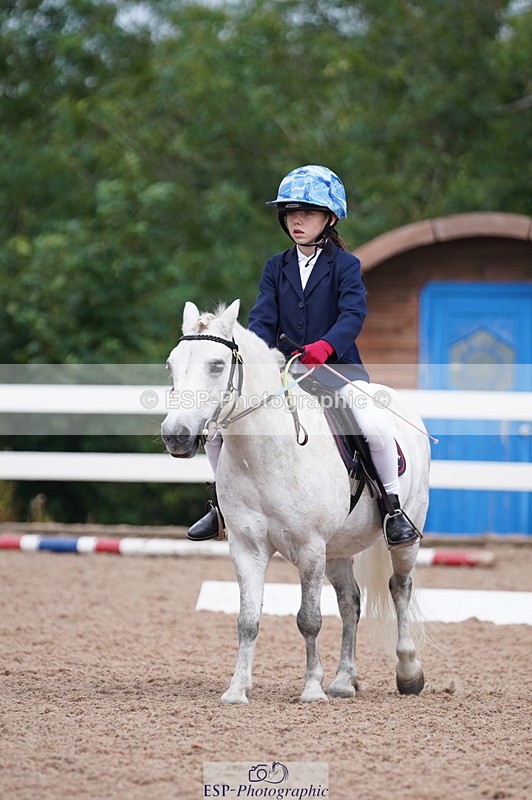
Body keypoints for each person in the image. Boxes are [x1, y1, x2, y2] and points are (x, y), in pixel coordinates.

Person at [187, 165, 419, 548]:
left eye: (307, 213)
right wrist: (262, 359)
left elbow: (352, 315)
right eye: (291, 213)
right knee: (215, 429)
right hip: (282, 373)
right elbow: (261, 319)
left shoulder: (346, 266)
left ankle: (392, 508)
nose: (297, 220)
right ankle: (221, 507)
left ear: (329, 218)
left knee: (372, 425)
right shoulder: (274, 267)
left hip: (336, 369)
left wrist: (326, 346)